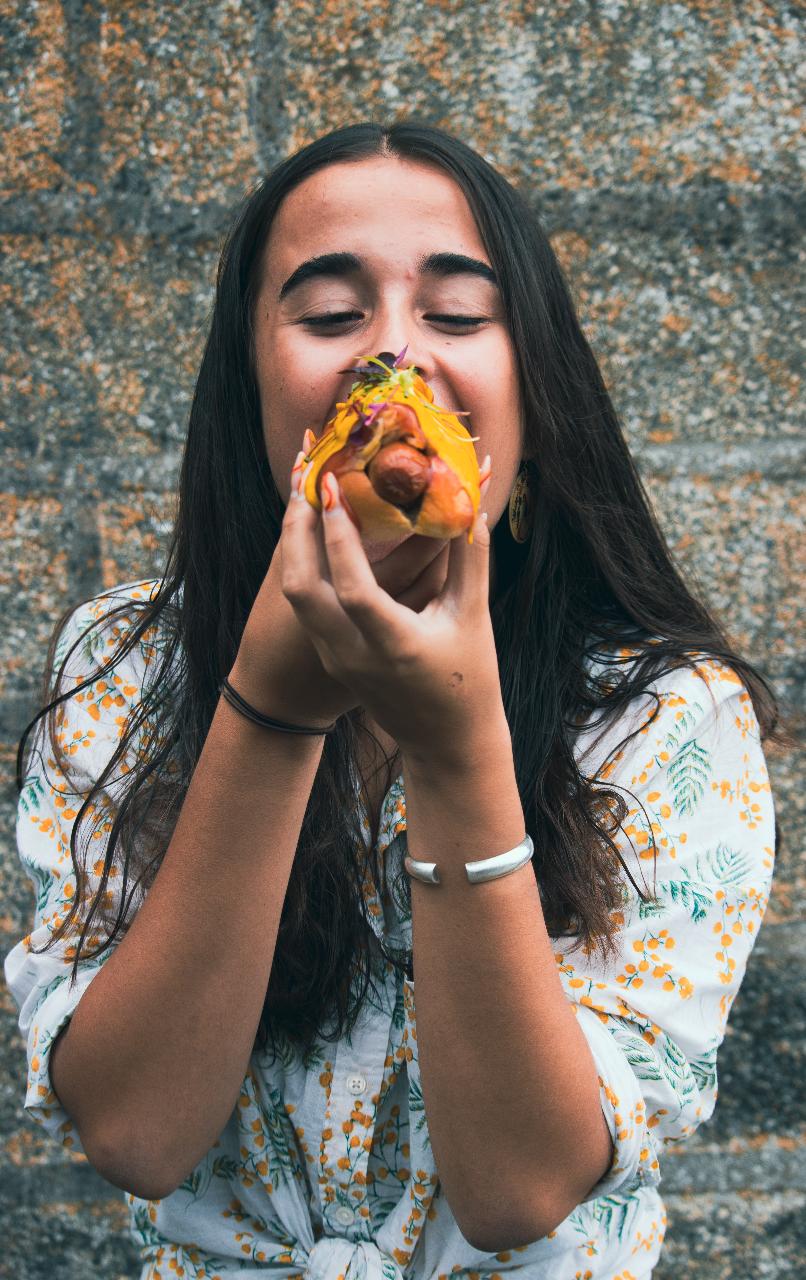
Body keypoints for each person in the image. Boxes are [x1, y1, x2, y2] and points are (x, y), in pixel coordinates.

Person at [4, 121, 783, 1279]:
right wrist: (271, 705)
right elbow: (134, 1130)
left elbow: (520, 1187)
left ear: (534, 384)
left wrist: (458, 747)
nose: (393, 357)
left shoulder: (667, 715)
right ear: (251, 387)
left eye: (458, 314)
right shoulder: (123, 667)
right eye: (328, 315)